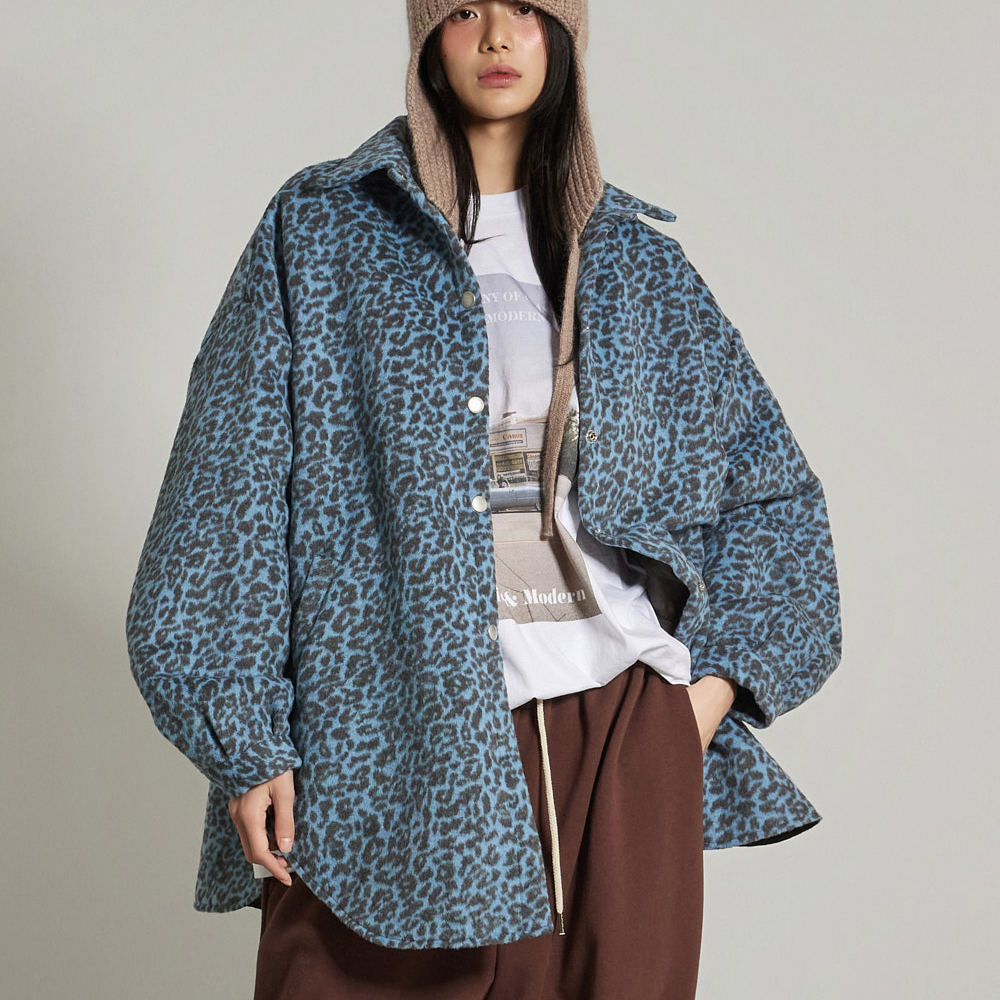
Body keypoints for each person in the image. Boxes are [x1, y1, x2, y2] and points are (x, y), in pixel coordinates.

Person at [126, 1, 842, 997]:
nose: (498, 37)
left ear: (565, 34)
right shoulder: (323, 233)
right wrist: (246, 743)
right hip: (389, 730)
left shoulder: (640, 266)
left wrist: (691, 711)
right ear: (428, 37)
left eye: (526, 10)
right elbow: (225, 498)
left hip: (619, 733)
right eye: (464, 10)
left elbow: (773, 503)